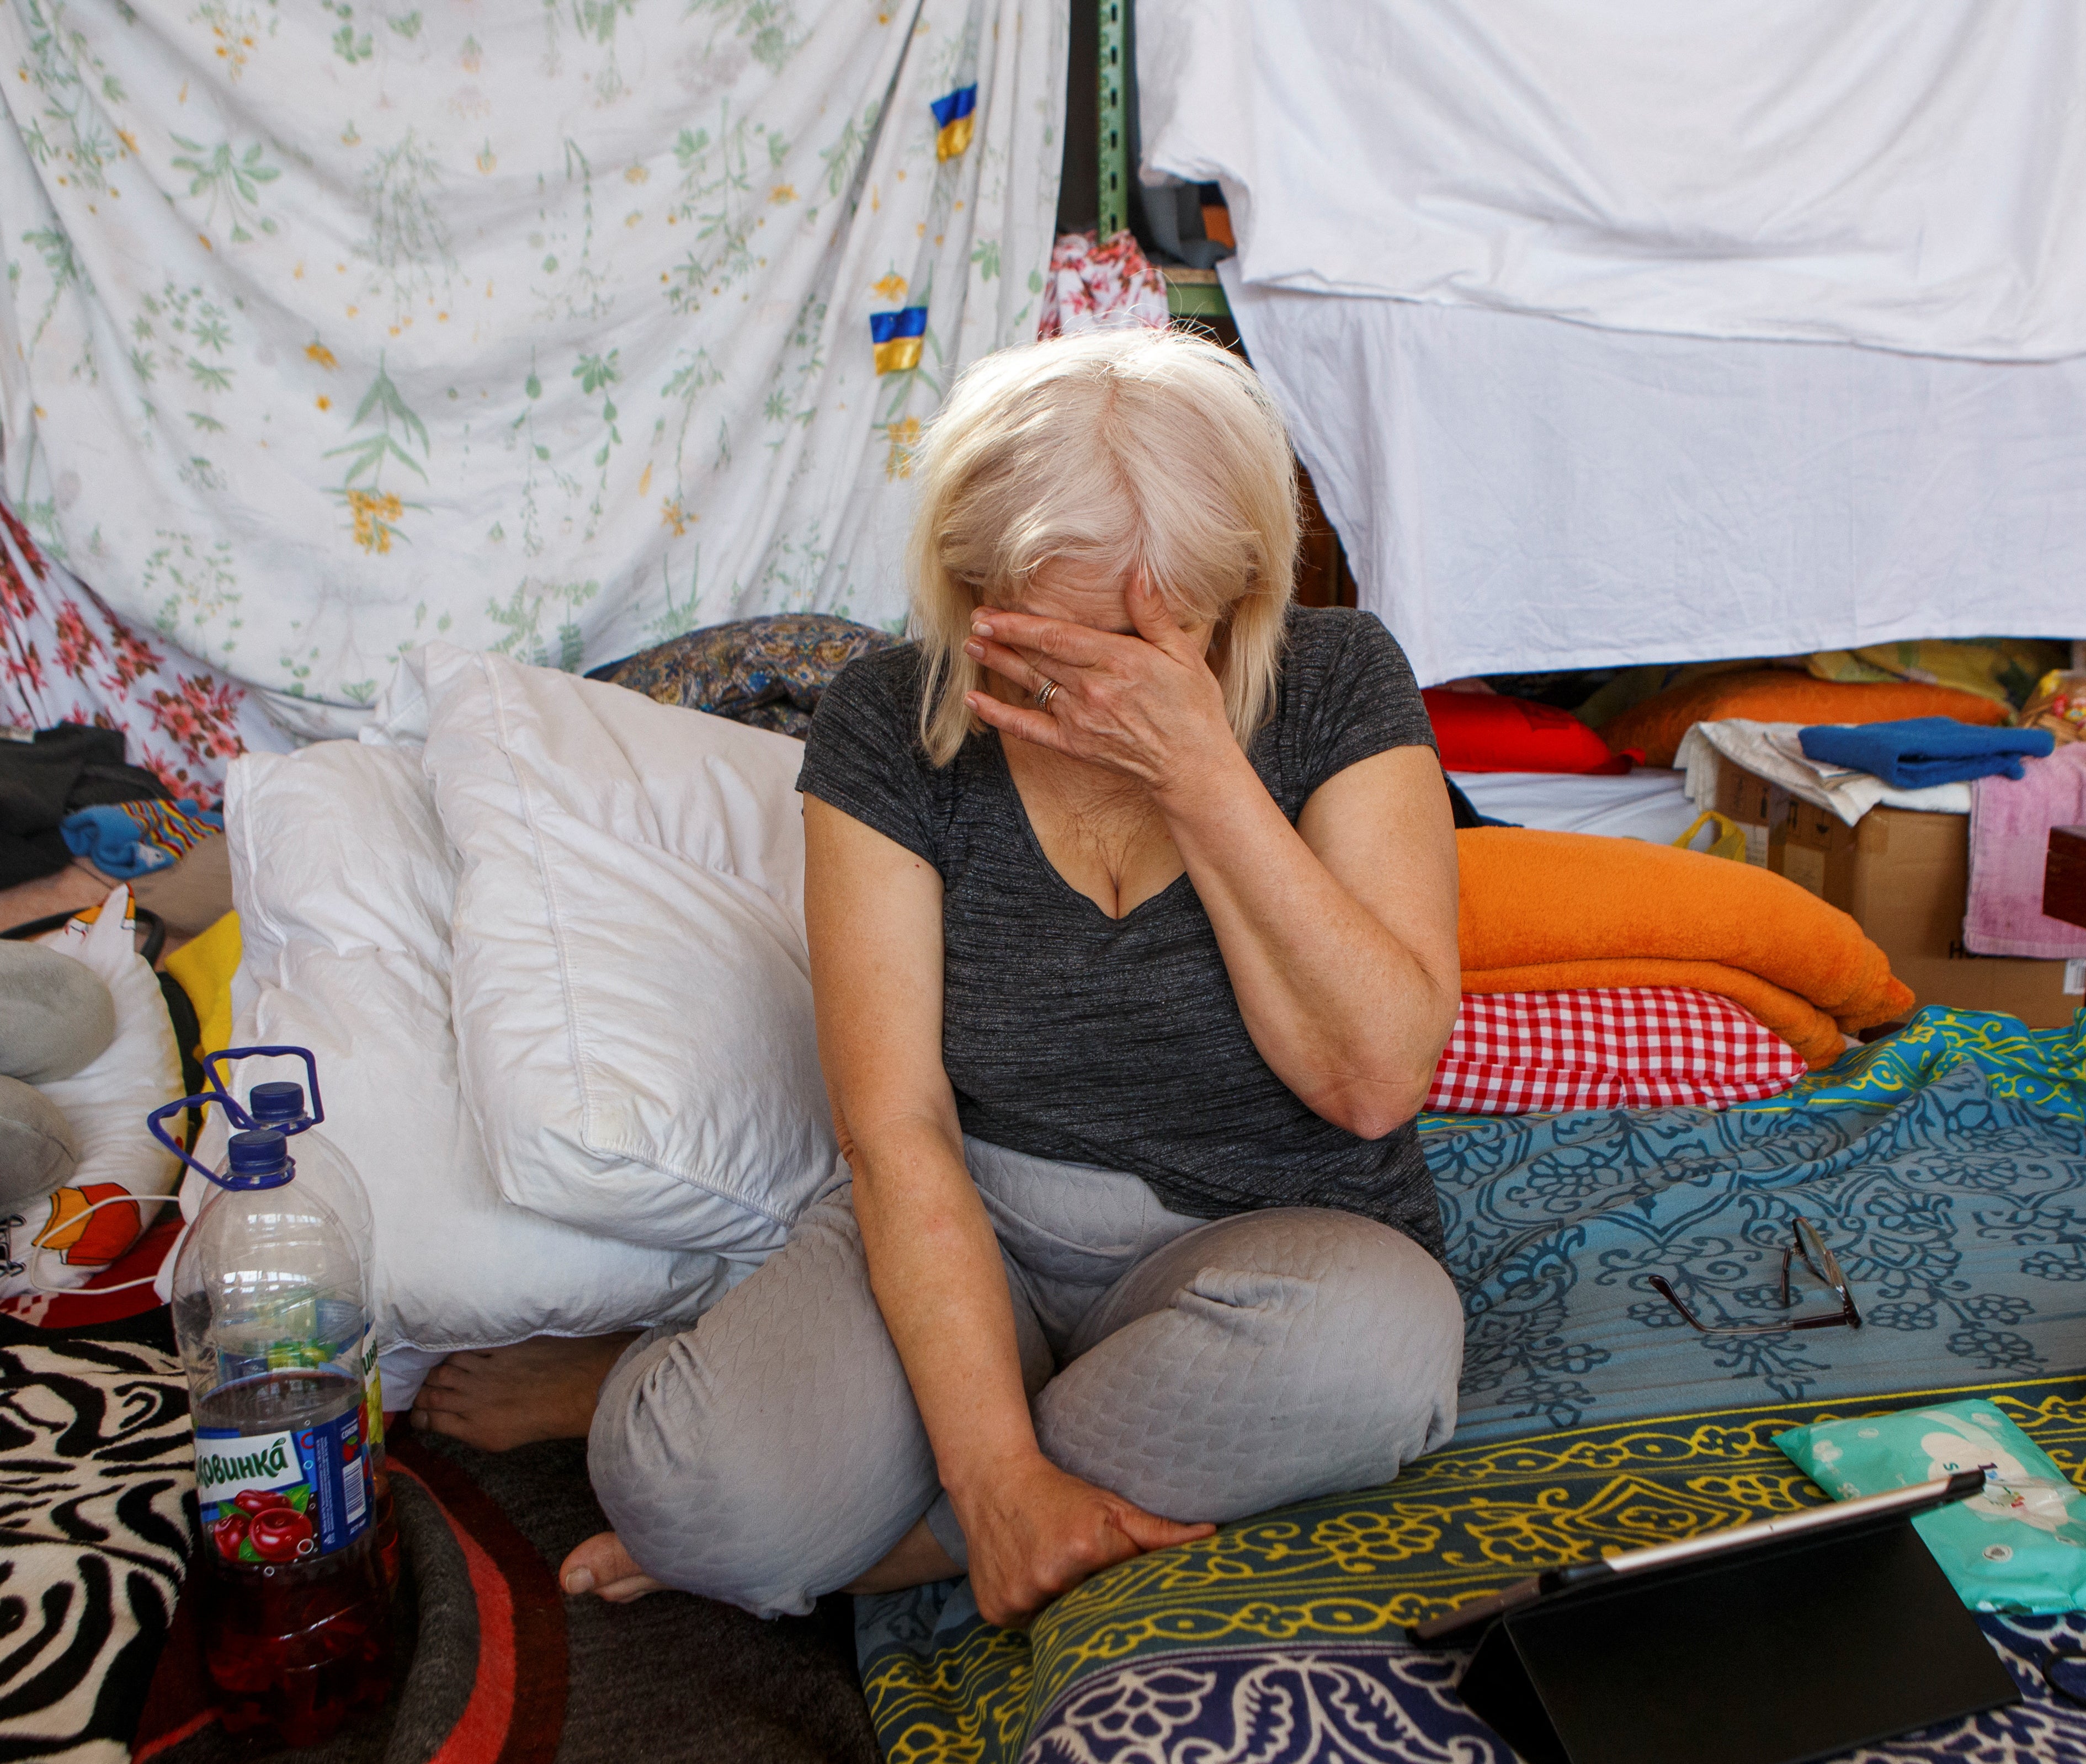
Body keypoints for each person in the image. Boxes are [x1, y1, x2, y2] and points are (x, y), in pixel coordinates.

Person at [408, 327, 1467, 1626]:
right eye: (1061, 645)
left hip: (1275, 1244)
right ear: (971, 594)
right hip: (976, 1228)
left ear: (1238, 587)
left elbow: (1374, 1081)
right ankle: (927, 1478)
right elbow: (895, 1129)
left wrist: (1199, 775)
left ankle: (919, 1540)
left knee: (1379, 1355)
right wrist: (998, 1468)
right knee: (688, 1493)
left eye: (1155, 635)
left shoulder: (1337, 681)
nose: (1104, 690)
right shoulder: (891, 722)